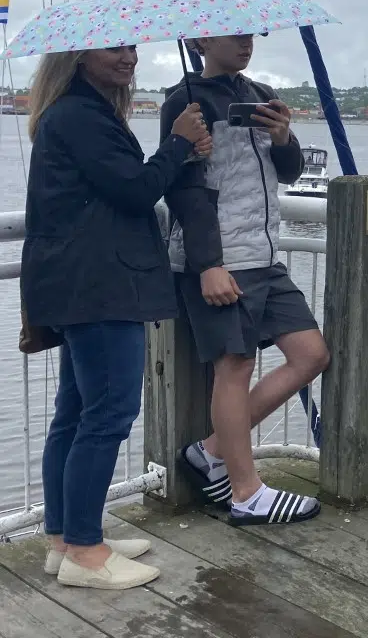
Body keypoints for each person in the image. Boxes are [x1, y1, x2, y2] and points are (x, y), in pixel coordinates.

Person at [22, 46, 211, 589]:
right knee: (108, 412)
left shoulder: (77, 111)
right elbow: (134, 190)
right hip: (99, 283)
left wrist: (179, 147)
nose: (129, 57)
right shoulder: (81, 116)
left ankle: (65, 537)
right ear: (79, 58)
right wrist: (178, 141)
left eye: (132, 47)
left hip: (80, 281)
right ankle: (85, 550)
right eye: (115, 49)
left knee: (76, 411)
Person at [161, 32, 329, 526]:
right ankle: (244, 491)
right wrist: (208, 264)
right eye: (232, 36)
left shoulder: (256, 92)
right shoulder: (183, 100)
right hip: (221, 259)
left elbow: (291, 173)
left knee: (311, 354)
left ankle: (211, 451)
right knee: (233, 367)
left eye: (249, 35)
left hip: (265, 254)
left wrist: (283, 137)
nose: (245, 43)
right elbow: (185, 189)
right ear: (199, 41)